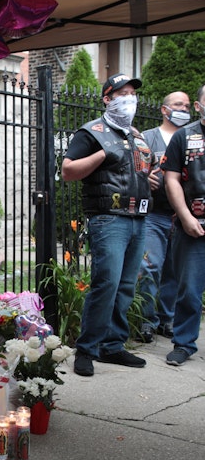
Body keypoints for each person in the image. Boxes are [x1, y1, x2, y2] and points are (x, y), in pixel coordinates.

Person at [62, 73, 158, 377]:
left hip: (138, 218)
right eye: (122, 93)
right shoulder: (92, 132)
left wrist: (148, 178)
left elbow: (137, 169)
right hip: (109, 219)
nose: (129, 98)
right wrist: (104, 153)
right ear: (107, 99)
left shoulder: (136, 134)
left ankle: (112, 346)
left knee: (127, 286)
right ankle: (87, 350)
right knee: (106, 284)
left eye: (132, 93)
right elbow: (67, 170)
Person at [136, 91, 191, 342]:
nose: (184, 108)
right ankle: (147, 320)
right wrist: (143, 177)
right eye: (178, 104)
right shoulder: (148, 137)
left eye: (187, 105)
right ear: (164, 109)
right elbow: (132, 168)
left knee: (174, 271)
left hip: (183, 216)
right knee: (150, 266)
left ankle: (166, 318)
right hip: (154, 214)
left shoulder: (192, 137)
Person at [161, 84, 205, 366]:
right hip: (193, 226)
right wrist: (186, 216)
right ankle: (184, 343)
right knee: (188, 288)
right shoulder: (184, 136)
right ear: (199, 106)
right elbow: (171, 178)